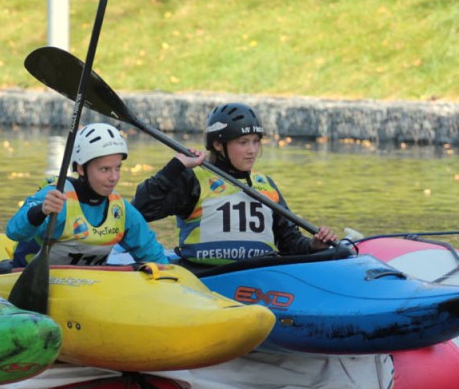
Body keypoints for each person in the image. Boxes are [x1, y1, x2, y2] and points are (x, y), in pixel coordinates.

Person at [132, 102, 338, 266]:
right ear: (218, 144)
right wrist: (174, 167)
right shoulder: (194, 180)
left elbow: (290, 243)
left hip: (260, 278)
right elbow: (139, 211)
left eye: (256, 141)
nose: (252, 150)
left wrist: (314, 245)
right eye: (243, 142)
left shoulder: (265, 185)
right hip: (205, 279)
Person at [5, 123, 168, 267]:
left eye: (117, 168)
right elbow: (13, 231)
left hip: (86, 285)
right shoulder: (56, 198)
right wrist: (42, 211)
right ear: (81, 168)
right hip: (29, 278)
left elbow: (153, 255)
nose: (114, 177)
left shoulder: (120, 209)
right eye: (104, 169)